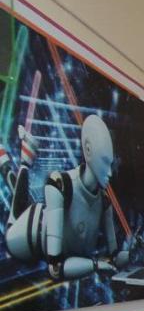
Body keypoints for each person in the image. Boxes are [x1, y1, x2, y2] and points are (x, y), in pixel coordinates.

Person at [4, 115, 131, 280]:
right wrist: (95, 265)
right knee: (14, 217)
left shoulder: (104, 202)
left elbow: (114, 258)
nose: (109, 173)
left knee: (20, 202)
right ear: (88, 150)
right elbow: (55, 268)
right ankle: (23, 162)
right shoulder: (60, 184)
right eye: (105, 162)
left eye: (111, 165)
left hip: (40, 217)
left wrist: (132, 253)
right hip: (22, 237)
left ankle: (16, 161)